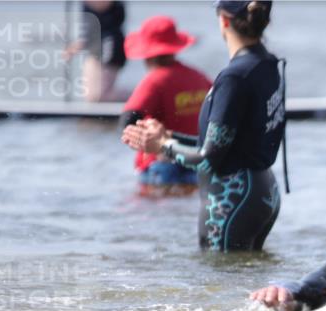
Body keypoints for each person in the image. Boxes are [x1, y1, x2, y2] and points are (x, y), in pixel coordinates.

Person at [121, 1, 288, 251]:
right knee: (249, 272)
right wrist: (171, 136)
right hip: (263, 190)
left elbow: (207, 159)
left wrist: (163, 146)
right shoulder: (268, 64)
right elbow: (229, 144)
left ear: (224, 20)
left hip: (231, 199)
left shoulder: (234, 77)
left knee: (218, 274)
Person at [120, 16, 212, 196]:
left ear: (147, 55)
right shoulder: (199, 77)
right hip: (196, 162)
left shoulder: (154, 80)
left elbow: (127, 120)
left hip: (162, 164)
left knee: (149, 208)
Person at [64, 1, 127, 102]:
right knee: (91, 96)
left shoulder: (112, 7)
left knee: (100, 95)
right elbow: (89, 29)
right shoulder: (87, 7)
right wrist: (78, 45)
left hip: (110, 48)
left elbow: (102, 6)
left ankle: (139, 98)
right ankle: (139, 98)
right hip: (94, 49)